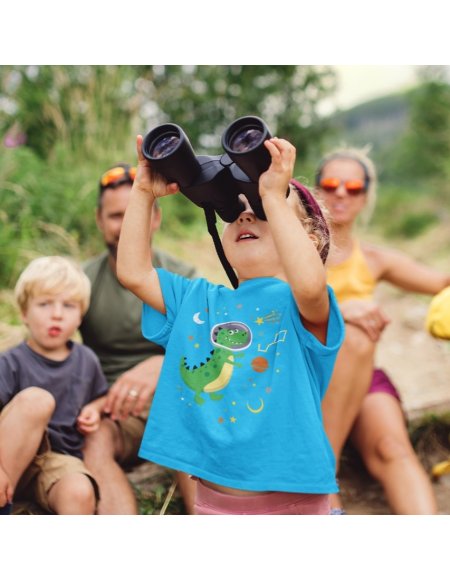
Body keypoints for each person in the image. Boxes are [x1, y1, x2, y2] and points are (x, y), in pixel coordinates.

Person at [116, 133, 345, 515]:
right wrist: (142, 191)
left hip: (293, 503)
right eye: (233, 210)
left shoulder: (303, 305)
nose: (245, 214)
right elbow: (134, 272)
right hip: (211, 501)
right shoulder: (197, 300)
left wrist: (273, 195)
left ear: (309, 240)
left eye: (260, 208)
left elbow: (308, 281)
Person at [315, 147, 450, 514]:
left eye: (353, 187)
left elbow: (441, 281)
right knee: (355, 334)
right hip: (303, 378)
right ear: (313, 191)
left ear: (365, 196)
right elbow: (260, 308)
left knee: (392, 447)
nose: (341, 193)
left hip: (360, 377)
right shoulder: (292, 253)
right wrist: (338, 312)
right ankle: (322, 484)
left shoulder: (373, 259)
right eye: (330, 183)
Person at [80, 163, 198, 514]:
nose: (124, 226)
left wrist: (163, 363)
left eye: (136, 212)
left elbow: (210, 347)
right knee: (95, 439)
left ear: (156, 217)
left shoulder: (183, 276)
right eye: (116, 216)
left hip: (179, 399)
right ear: (100, 221)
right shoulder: (81, 280)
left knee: (184, 413)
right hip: (114, 412)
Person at [0, 256, 109, 515]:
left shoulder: (86, 359)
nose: (57, 314)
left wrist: (94, 409)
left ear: (81, 316)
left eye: (69, 305)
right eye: (45, 304)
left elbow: (101, 395)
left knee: (80, 491)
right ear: (24, 313)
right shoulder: (10, 361)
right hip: (9, 454)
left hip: (56, 459)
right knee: (36, 400)